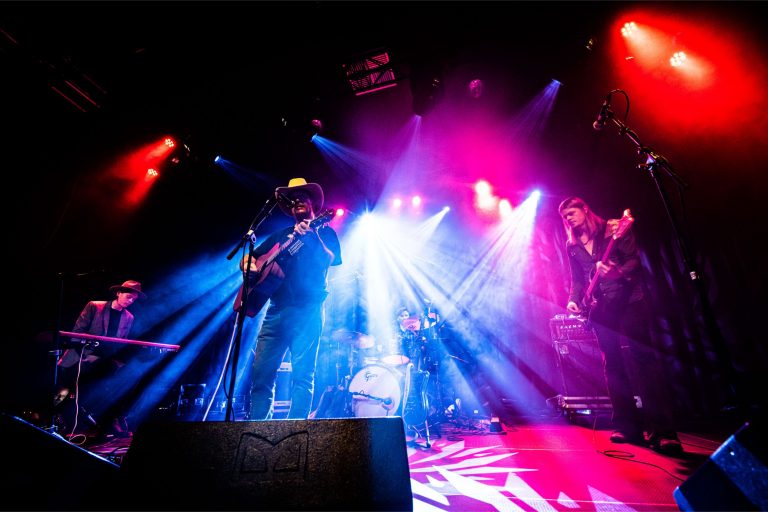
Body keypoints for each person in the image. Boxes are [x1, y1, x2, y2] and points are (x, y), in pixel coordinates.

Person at [558, 196, 682, 455]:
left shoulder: (614, 228)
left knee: (644, 361)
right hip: (601, 310)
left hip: (629, 303)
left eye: (572, 212)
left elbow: (634, 261)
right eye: (565, 216)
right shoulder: (572, 246)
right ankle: (627, 427)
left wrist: (618, 273)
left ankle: (663, 431)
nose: (569, 218)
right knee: (612, 365)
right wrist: (572, 299)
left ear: (585, 209)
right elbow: (578, 279)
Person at [242, 178, 342, 420]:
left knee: (303, 376)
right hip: (275, 310)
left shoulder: (325, 231)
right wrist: (249, 267)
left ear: (313, 205)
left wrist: (311, 237)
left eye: (303, 197)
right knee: (261, 374)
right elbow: (250, 258)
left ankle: (296, 434)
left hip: (308, 310)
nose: (297, 200)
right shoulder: (280, 234)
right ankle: (258, 433)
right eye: (294, 198)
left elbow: (329, 261)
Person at [55, 279, 147, 437]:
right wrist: (87, 354)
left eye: (133, 299)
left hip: (104, 360)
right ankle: (55, 419)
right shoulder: (94, 306)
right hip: (82, 356)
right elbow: (78, 332)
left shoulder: (129, 317)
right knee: (65, 392)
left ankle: (107, 423)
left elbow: (120, 342)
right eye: (128, 296)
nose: (130, 300)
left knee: (127, 380)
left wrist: (117, 361)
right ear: (118, 293)